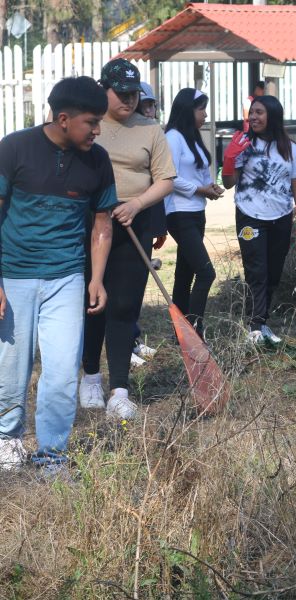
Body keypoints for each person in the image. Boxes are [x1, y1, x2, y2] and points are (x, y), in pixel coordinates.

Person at [0, 77, 117, 471]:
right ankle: (7, 440)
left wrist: (95, 278)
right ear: (63, 119)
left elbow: (103, 223)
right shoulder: (14, 148)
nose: (98, 130)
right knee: (11, 370)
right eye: (92, 121)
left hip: (66, 278)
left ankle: (51, 453)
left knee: (63, 369)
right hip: (13, 275)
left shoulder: (97, 160)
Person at [80, 58, 175, 420]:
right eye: (120, 94)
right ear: (103, 90)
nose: (129, 100)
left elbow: (165, 179)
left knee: (124, 305)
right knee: (92, 301)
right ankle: (90, 375)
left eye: (134, 94)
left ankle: (119, 388)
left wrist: (136, 204)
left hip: (136, 222)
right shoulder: (89, 125)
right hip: (91, 224)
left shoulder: (151, 129)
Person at [222, 95, 296, 344]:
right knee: (256, 271)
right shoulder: (244, 143)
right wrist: (229, 159)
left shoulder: (290, 148)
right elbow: (229, 184)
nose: (253, 117)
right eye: (252, 113)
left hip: (281, 216)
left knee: (273, 273)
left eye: (259, 112)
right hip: (250, 216)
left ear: (272, 115)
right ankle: (255, 326)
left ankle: (262, 321)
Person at [164, 88, 223, 339]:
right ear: (188, 110)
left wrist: (211, 186)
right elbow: (169, 176)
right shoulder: (173, 137)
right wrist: (198, 189)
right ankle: (195, 331)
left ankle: (181, 334)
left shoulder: (192, 137)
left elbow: (202, 171)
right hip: (179, 213)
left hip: (197, 212)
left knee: (185, 273)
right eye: (201, 109)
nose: (205, 114)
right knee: (206, 272)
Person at [132, 80, 166, 366]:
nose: (150, 110)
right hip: (124, 220)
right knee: (124, 288)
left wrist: (159, 227)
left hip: (147, 220)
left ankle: (134, 338)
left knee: (137, 286)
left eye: (152, 104)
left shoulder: (155, 135)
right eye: (145, 105)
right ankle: (126, 344)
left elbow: (161, 182)